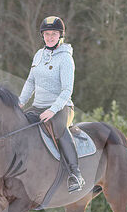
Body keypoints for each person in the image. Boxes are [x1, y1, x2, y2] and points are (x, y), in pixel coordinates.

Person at [18, 16, 85, 193]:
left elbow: (67, 90)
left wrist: (52, 110)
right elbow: (30, 82)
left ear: (60, 36)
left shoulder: (66, 59)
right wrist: (20, 102)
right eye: (47, 34)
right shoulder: (39, 55)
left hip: (61, 107)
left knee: (60, 129)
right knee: (19, 126)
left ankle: (74, 173)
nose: (49, 37)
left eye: (53, 34)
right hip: (38, 106)